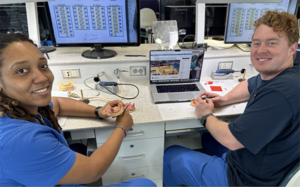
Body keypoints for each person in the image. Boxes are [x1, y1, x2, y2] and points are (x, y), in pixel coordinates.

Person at [0, 33, 156, 187]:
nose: (42, 78)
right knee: (145, 184)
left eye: (43, 66)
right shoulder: (20, 140)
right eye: (21, 71)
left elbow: (58, 103)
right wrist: (122, 127)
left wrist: (99, 111)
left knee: (78, 148)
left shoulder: (21, 108)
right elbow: (92, 171)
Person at [163, 10, 299, 186]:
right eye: (256, 43)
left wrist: (205, 115)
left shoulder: (280, 93)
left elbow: (232, 140)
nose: (260, 50)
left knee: (171, 155)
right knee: (208, 139)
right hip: (265, 163)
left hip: (245, 180)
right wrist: (224, 100)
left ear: (292, 48)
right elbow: (252, 83)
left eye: (271, 43)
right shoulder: (288, 73)